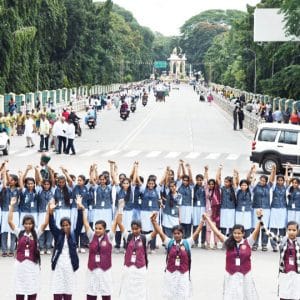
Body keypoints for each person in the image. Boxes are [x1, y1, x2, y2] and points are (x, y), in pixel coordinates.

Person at [203, 209, 263, 300]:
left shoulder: (248, 242)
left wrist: (260, 218)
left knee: (246, 296)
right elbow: (217, 232)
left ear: (243, 234)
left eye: (239, 233)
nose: (237, 235)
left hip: (245, 275)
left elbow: (257, 230)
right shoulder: (228, 242)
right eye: (235, 233)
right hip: (231, 275)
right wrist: (207, 219)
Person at [151, 213, 204, 300]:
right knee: (170, 294)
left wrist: (202, 221)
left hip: (183, 274)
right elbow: (160, 232)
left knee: (183, 295)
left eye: (178, 233)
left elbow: (197, 232)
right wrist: (153, 221)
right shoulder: (169, 242)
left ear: (182, 234)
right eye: (174, 233)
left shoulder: (187, 243)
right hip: (170, 274)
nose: (176, 235)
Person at [78, 197, 120, 300]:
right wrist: (83, 209)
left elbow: (115, 223)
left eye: (100, 229)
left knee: (106, 292)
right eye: (96, 228)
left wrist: (120, 209)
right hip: (92, 270)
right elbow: (86, 223)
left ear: (105, 229)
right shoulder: (92, 236)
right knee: (91, 293)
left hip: (105, 270)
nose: (97, 230)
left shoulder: (109, 237)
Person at [8, 196, 48, 300]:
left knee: (32, 289)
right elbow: (10, 222)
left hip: (32, 266)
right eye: (26, 223)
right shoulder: (19, 233)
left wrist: (48, 211)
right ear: (23, 224)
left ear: (33, 224)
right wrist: (12, 206)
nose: (28, 225)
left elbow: (45, 224)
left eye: (30, 223)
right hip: (20, 266)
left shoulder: (36, 233)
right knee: (20, 289)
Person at [49, 195, 83, 300]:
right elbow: (51, 224)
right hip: (59, 263)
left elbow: (80, 223)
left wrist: (79, 208)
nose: (65, 227)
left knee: (68, 287)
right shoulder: (57, 233)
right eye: (63, 225)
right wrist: (51, 211)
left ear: (70, 225)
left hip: (70, 263)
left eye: (67, 225)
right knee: (58, 287)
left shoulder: (74, 234)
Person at [118, 216, 157, 300]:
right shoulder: (128, 236)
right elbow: (119, 223)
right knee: (127, 290)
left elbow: (156, 231)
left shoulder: (144, 238)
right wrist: (120, 208)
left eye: (137, 229)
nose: (134, 231)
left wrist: (153, 221)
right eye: (133, 229)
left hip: (140, 270)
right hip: (128, 268)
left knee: (140, 291)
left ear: (141, 228)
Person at [261, 220, 300, 300]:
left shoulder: (299, 242)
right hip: (284, 273)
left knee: (295, 296)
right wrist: (260, 219)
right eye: (289, 230)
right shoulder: (282, 240)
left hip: (297, 274)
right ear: (286, 230)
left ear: (297, 231)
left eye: (294, 230)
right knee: (284, 296)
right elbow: (268, 233)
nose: (291, 232)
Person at [269, 164, 288, 252]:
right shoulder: (274, 187)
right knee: (273, 228)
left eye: (281, 180)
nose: (280, 181)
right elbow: (271, 180)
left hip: (283, 209)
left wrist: (287, 169)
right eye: (279, 180)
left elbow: (287, 179)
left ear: (283, 181)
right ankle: (274, 246)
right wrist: (274, 170)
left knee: (282, 228)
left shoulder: (286, 188)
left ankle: (282, 244)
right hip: (274, 209)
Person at [1, 164, 19, 257]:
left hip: (15, 212)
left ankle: (12, 250)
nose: (10, 181)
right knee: (4, 231)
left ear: (16, 182)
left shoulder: (18, 190)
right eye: (9, 179)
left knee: (13, 231)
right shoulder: (5, 189)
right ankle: (4, 250)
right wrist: (4, 172)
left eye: (12, 180)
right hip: (5, 211)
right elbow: (5, 182)